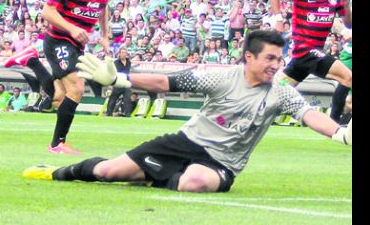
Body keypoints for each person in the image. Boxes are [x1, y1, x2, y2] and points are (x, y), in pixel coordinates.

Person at [23, 30, 351, 192]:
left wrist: (339, 133)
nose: (277, 65)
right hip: (183, 143)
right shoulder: (222, 78)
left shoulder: (281, 93)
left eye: (280, 60)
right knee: (107, 172)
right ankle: (55, 171)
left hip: (221, 163)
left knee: (194, 182)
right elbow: (167, 81)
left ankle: (150, 176)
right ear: (249, 58)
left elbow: (309, 114)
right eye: (270, 59)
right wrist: (121, 79)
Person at [5, 0, 115, 154]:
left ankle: (32, 61)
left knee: (58, 98)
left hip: (77, 44)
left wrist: (104, 34)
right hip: (59, 40)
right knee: (77, 88)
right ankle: (57, 144)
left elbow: (102, 6)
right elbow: (47, 11)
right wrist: (72, 28)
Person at [268, 0, 352, 90]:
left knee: (277, 91)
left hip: (306, 58)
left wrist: (346, 6)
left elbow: (349, 24)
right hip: (305, 51)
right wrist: (279, 19)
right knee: (348, 78)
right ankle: (342, 111)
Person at [105, 48, 133, 117]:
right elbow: (113, 73)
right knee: (113, 99)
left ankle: (127, 114)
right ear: (119, 54)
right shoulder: (116, 62)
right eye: (122, 53)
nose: (124, 54)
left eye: (125, 53)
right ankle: (109, 113)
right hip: (118, 82)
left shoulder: (129, 62)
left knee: (127, 99)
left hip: (126, 82)